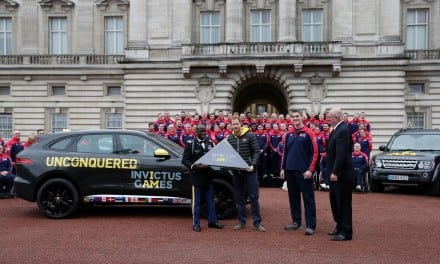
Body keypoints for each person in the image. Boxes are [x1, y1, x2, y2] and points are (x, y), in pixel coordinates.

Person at [280, 110, 318, 235]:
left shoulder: (309, 133)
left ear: (302, 118)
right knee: (293, 198)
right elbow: (285, 152)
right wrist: (283, 168)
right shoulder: (289, 134)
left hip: (304, 172)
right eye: (293, 116)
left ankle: (311, 225)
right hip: (290, 170)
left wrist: (310, 170)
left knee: (308, 199)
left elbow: (315, 153)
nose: (295, 118)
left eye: (297, 116)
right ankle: (296, 222)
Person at [181, 124, 225, 232]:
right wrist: (193, 166)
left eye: (204, 131)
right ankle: (196, 224)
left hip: (208, 177)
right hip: (197, 177)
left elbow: (214, 157)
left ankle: (212, 221)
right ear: (195, 132)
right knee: (197, 203)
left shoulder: (209, 142)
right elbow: (185, 160)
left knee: (211, 201)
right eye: (201, 131)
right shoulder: (190, 144)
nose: (203, 133)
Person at [227, 116, 266, 232]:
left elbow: (256, 151)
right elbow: (228, 155)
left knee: (254, 197)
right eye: (233, 124)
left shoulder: (250, 135)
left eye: (237, 124)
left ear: (241, 124)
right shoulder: (230, 138)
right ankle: (241, 221)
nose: (235, 126)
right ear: (231, 126)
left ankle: (257, 223)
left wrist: (252, 165)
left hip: (249, 172)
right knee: (239, 198)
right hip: (237, 172)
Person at [326, 107, 355, 241]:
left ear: (336, 118)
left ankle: (346, 231)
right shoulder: (338, 129)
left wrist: (335, 172)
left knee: (343, 202)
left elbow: (341, 154)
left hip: (341, 175)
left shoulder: (343, 130)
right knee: (335, 201)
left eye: (330, 117)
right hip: (335, 173)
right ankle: (339, 225)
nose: (328, 119)